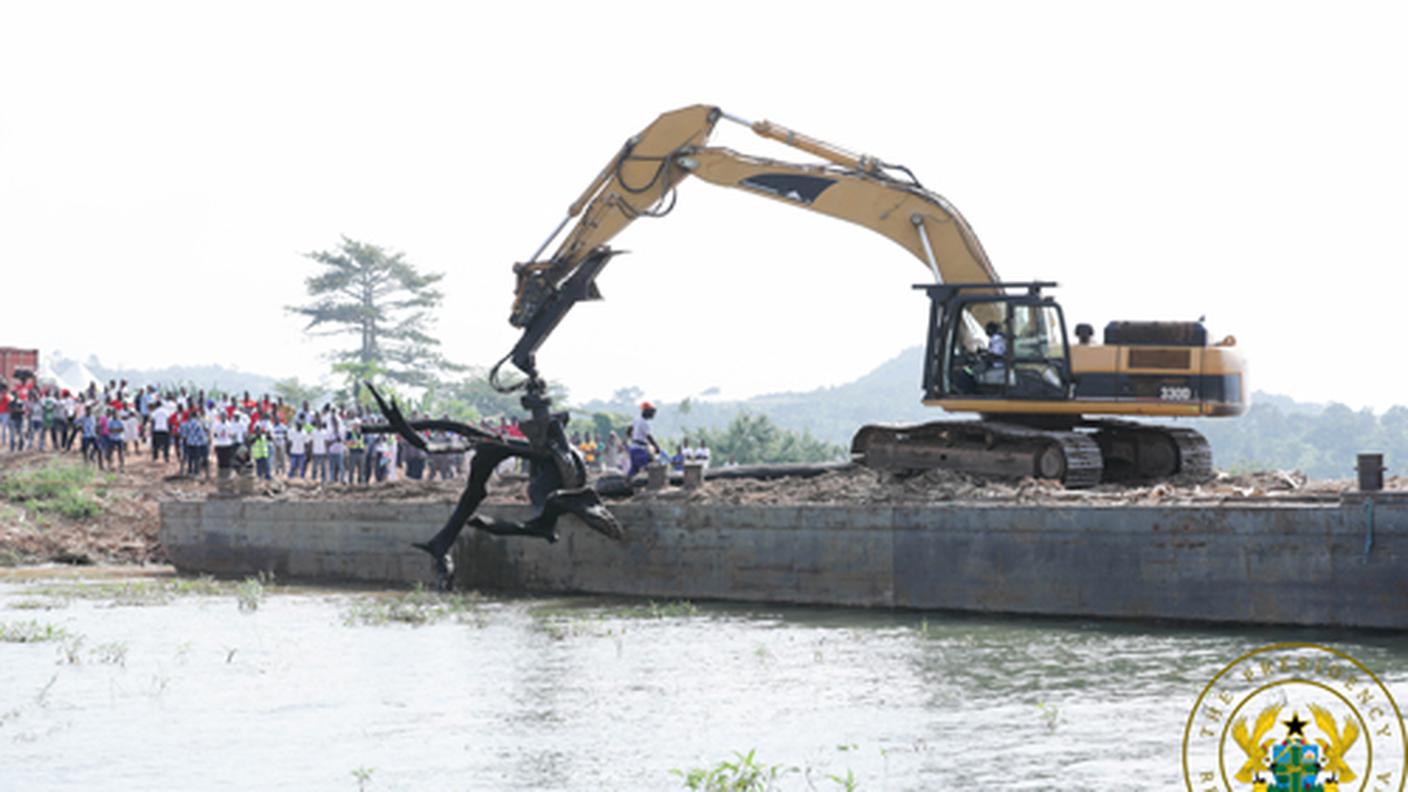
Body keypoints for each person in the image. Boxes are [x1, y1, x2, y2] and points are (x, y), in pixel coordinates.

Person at [625, 401, 661, 478]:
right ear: (646, 411)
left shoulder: (636, 419)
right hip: (639, 450)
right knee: (650, 465)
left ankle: (626, 483)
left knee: (634, 470)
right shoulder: (644, 423)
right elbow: (649, 437)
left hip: (633, 449)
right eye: (651, 412)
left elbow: (628, 431)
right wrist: (657, 447)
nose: (652, 414)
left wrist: (633, 439)